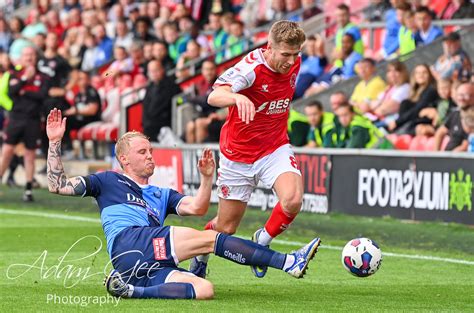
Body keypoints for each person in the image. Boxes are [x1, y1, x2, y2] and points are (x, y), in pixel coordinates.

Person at [45, 108, 321, 300]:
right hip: (130, 241)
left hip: (137, 265)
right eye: (143, 152)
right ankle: (287, 262)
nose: (150, 156)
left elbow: (198, 208)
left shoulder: (161, 193)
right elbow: (58, 185)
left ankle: (131, 290)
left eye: (151, 151)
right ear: (125, 160)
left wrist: (206, 178)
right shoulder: (107, 180)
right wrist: (55, 142)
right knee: (212, 239)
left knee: (204, 289)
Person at [191, 20, 308, 279]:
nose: (290, 61)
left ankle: (262, 241)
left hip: (274, 147)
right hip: (238, 156)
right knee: (226, 227)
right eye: (285, 55)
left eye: (295, 54)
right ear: (269, 48)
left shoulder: (294, 63)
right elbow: (214, 96)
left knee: (293, 199)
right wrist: (237, 96)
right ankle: (200, 256)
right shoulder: (252, 68)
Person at [0, 46, 49, 201]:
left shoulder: (43, 77)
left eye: (32, 54)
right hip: (15, 118)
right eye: (26, 54)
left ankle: (28, 189)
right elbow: (11, 91)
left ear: (36, 57)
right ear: (21, 57)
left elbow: (42, 95)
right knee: (7, 151)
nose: (29, 58)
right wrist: (24, 79)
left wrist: (24, 92)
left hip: (33, 119)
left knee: (30, 154)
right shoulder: (14, 74)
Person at [142, 60, 181, 142]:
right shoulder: (150, 87)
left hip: (166, 124)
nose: (154, 73)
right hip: (150, 125)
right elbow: (146, 108)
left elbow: (178, 102)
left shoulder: (171, 86)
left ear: (162, 70)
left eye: (156, 70)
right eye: (151, 71)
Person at [433, 82, 474, 151]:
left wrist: (450, 158)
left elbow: (466, 144)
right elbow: (440, 133)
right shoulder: (455, 113)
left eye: (466, 95)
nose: (461, 98)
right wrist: (436, 154)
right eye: (460, 95)